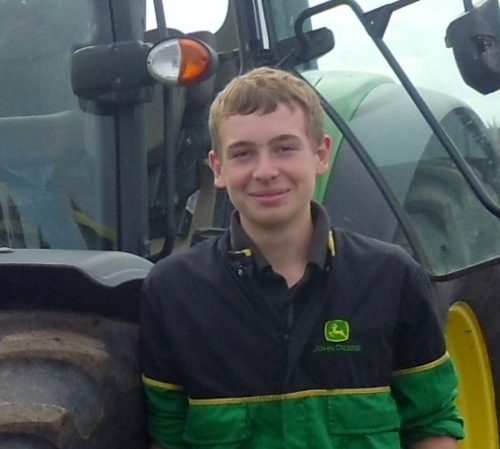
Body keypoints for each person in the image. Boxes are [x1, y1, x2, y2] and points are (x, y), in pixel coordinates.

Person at [139, 66, 464, 449]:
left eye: (284, 148)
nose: (265, 171)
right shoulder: (174, 292)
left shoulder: (391, 278)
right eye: (243, 154)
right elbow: (166, 436)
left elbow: (431, 422)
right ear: (218, 169)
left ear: (321, 154)